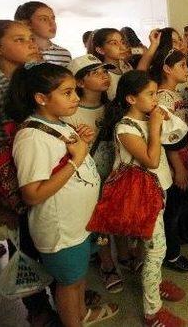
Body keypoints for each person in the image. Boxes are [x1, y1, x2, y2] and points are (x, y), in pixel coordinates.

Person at [7, 62, 118, 326]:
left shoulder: (58, 123)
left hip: (76, 223)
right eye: (67, 93)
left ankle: (80, 314)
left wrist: (82, 144)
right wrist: (76, 160)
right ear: (41, 98)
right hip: (61, 231)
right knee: (68, 284)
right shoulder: (31, 137)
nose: (75, 98)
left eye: (74, 92)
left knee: (78, 278)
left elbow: (65, 154)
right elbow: (32, 194)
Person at [0, 20, 59, 326]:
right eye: (20, 40)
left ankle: (62, 297)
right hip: (7, 183)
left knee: (46, 238)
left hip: (39, 170)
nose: (31, 44)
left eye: (30, 38)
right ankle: (37, 307)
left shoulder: (30, 78)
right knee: (24, 246)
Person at [103, 70, 188, 326]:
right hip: (143, 197)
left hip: (156, 191)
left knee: (150, 247)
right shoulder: (125, 127)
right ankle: (153, 312)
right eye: (150, 94)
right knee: (156, 250)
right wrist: (154, 126)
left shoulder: (149, 118)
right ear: (130, 98)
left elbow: (174, 140)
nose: (156, 99)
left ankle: (155, 282)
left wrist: (160, 122)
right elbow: (150, 160)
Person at [61, 54, 124, 294]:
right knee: (97, 221)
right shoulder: (71, 113)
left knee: (114, 215)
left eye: (105, 71)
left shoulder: (112, 108)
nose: (104, 75)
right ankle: (106, 263)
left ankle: (124, 256)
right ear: (79, 82)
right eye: (95, 73)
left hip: (113, 171)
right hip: (87, 178)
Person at [153, 49, 188, 273]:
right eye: (182, 65)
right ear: (167, 69)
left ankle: (184, 234)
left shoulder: (176, 94)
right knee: (172, 210)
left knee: (182, 204)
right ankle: (171, 256)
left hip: (187, 155)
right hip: (175, 162)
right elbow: (166, 137)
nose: (187, 70)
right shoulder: (162, 98)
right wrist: (178, 168)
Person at [14, 1, 72, 67]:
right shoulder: (17, 53)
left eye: (53, 18)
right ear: (27, 24)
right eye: (44, 19)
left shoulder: (64, 54)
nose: (52, 23)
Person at [88, 28, 132, 100]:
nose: (122, 47)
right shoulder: (103, 75)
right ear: (100, 50)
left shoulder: (126, 66)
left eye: (122, 42)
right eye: (114, 43)